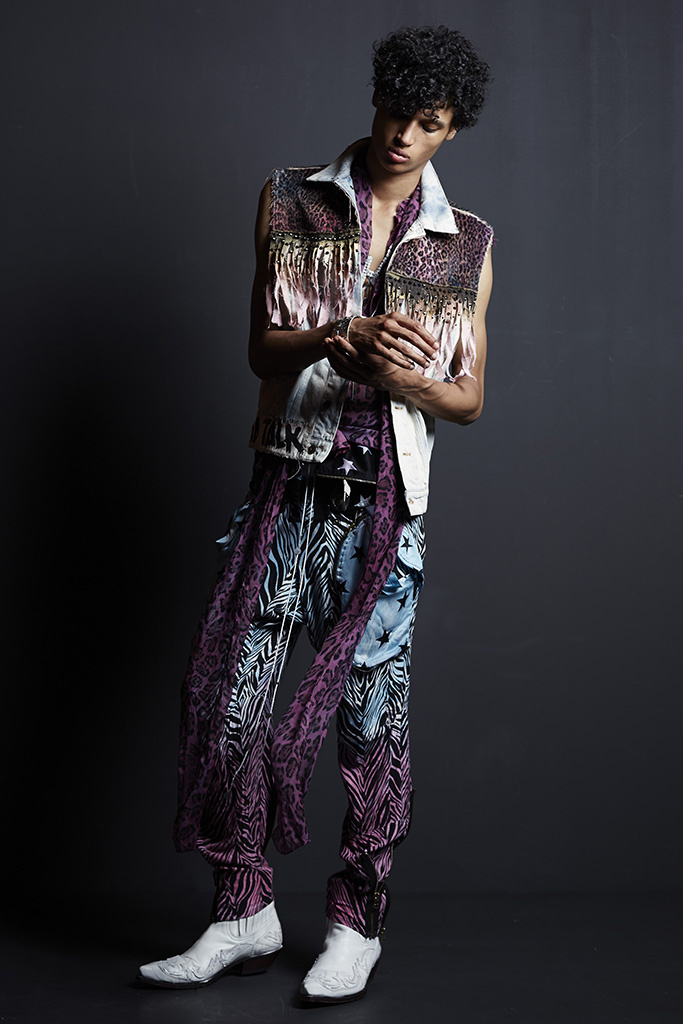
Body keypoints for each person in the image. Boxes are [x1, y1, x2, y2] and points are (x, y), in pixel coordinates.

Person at [138, 24, 493, 1005]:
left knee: (370, 731)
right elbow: (262, 348)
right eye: (396, 112)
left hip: (384, 511)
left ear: (450, 130)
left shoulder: (463, 242)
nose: (403, 136)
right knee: (233, 705)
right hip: (287, 492)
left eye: (428, 123)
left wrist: (405, 379)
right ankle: (241, 910)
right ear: (376, 99)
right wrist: (335, 336)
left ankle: (354, 923)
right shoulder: (292, 198)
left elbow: (469, 400)